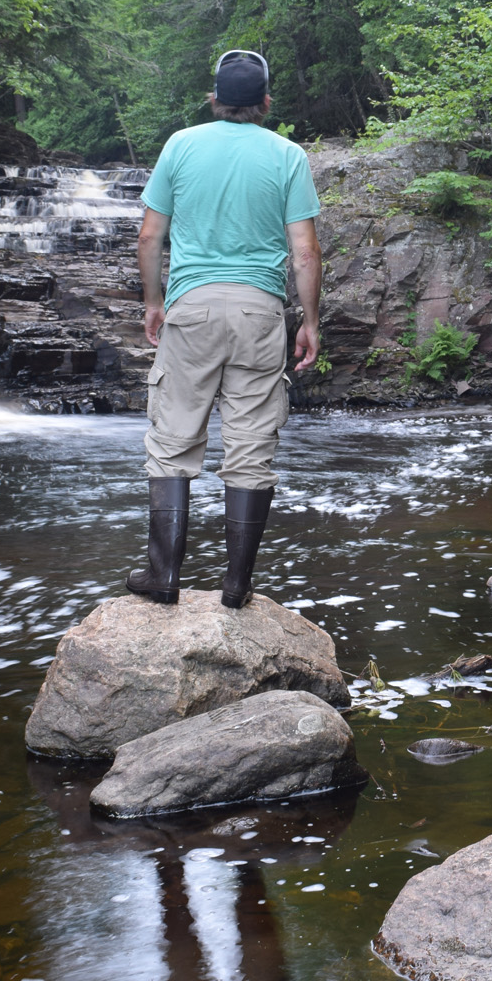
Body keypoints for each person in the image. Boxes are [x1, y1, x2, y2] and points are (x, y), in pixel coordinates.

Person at [125, 50, 322, 608]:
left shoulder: (181, 145)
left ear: (213, 98)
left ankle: (163, 578)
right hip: (260, 312)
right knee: (251, 444)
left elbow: (148, 237)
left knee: (172, 441)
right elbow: (305, 252)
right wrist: (309, 322)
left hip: (192, 307)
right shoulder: (287, 155)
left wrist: (154, 301)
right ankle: (236, 586)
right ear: (265, 102)